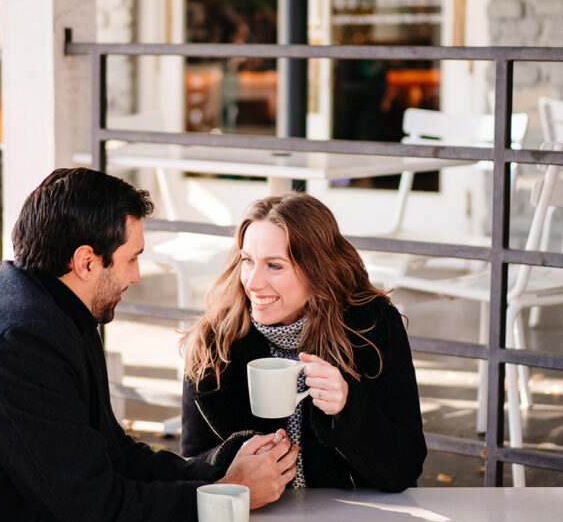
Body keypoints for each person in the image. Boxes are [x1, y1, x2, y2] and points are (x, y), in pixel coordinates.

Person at [0, 168, 299, 522]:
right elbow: (97, 512)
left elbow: (112, 452)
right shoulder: (18, 343)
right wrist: (228, 492)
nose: (137, 276)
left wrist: (219, 466)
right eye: (132, 258)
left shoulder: (52, 307)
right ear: (86, 262)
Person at [180, 192, 426, 491]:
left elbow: (405, 466)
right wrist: (233, 461)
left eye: (275, 265)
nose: (253, 283)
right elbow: (192, 463)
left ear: (318, 270)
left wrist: (349, 408)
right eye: (247, 261)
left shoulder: (371, 327)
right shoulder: (214, 343)